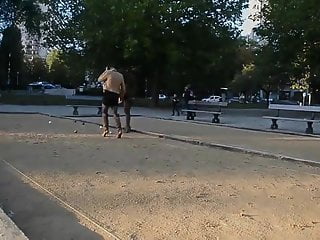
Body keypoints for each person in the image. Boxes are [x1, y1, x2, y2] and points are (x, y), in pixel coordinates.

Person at [98, 67, 126, 138]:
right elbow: (123, 88)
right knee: (115, 113)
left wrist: (105, 71)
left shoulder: (108, 73)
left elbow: (99, 79)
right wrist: (121, 97)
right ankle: (119, 130)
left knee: (104, 112)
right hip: (115, 95)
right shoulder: (120, 75)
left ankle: (106, 129)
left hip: (107, 93)